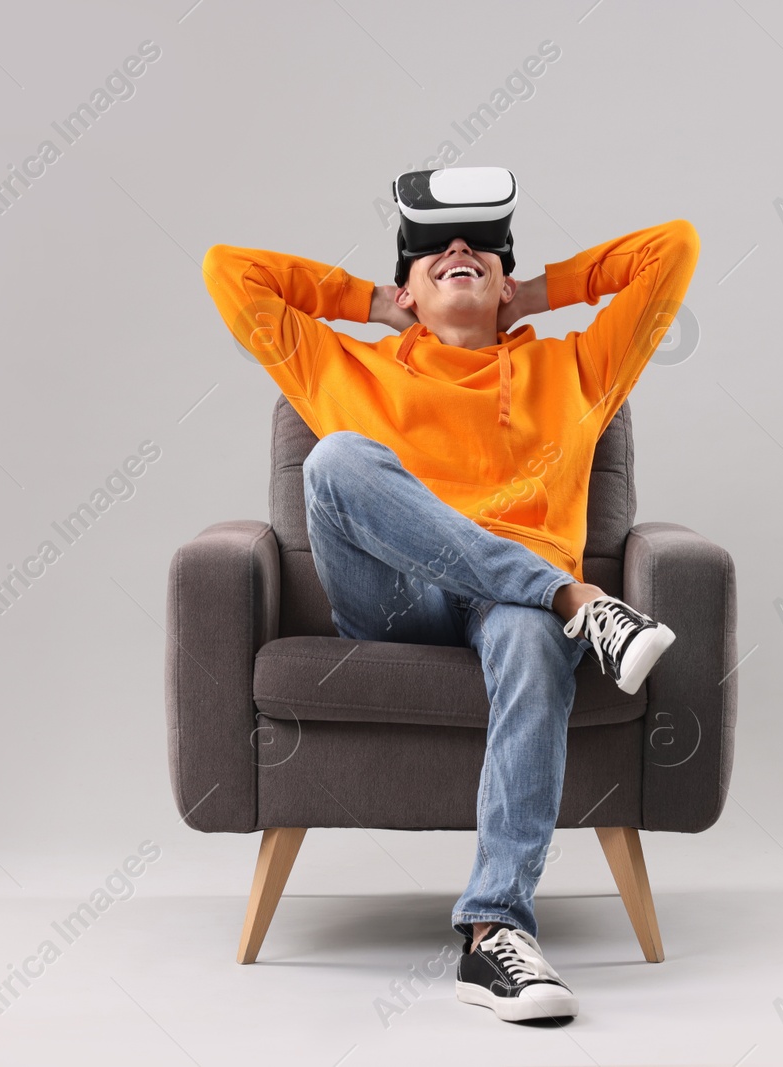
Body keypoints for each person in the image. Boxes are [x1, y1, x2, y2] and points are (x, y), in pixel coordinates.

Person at [202, 178, 698, 1022]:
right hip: (398, 603)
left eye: (483, 247)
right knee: (336, 462)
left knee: (534, 635)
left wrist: (532, 291)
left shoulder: (576, 368)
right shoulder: (348, 367)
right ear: (408, 289)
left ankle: (494, 932)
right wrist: (370, 304)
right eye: (436, 250)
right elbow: (227, 270)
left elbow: (673, 248)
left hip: (516, 620)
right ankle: (578, 599)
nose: (460, 251)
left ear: (506, 281)